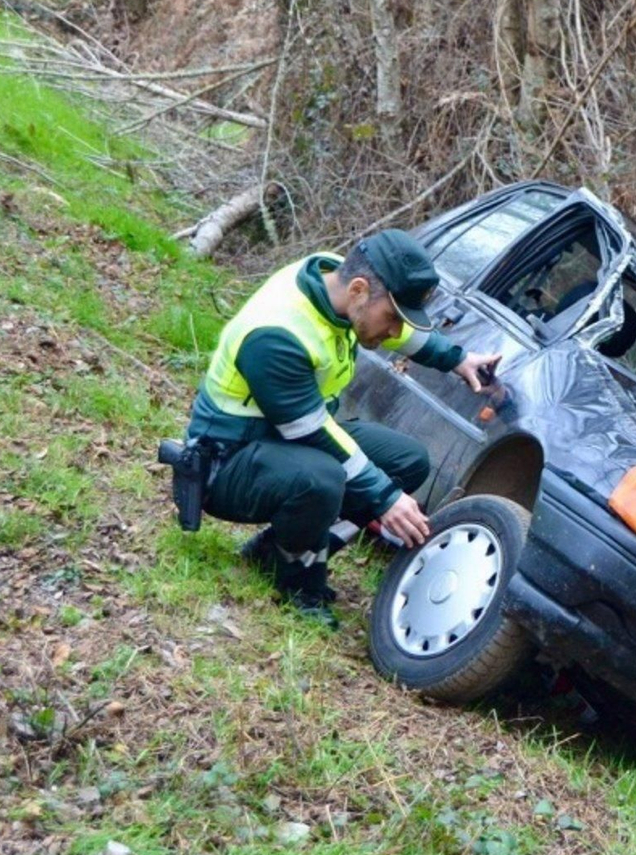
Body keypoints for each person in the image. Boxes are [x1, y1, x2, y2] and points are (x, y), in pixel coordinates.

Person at [184, 230, 501, 626]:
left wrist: (457, 359)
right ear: (358, 289)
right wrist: (386, 499)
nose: (391, 331)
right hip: (227, 462)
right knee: (326, 478)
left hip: (283, 442)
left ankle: (275, 551)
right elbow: (311, 430)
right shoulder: (277, 334)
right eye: (391, 317)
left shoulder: (337, 283)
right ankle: (299, 581)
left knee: (407, 462)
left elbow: (400, 330)